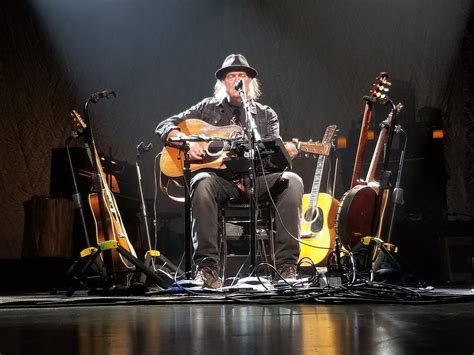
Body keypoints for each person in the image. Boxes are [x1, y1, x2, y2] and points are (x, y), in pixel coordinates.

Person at [155, 54, 303, 289]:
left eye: (241, 75)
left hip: (258, 181)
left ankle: (287, 267)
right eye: (231, 75)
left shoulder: (266, 115)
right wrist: (186, 142)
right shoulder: (206, 108)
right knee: (202, 181)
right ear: (223, 82)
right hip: (221, 182)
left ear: (250, 81)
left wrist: (285, 154)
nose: (237, 80)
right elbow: (165, 125)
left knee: (292, 181)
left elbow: (271, 156)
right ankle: (207, 269)